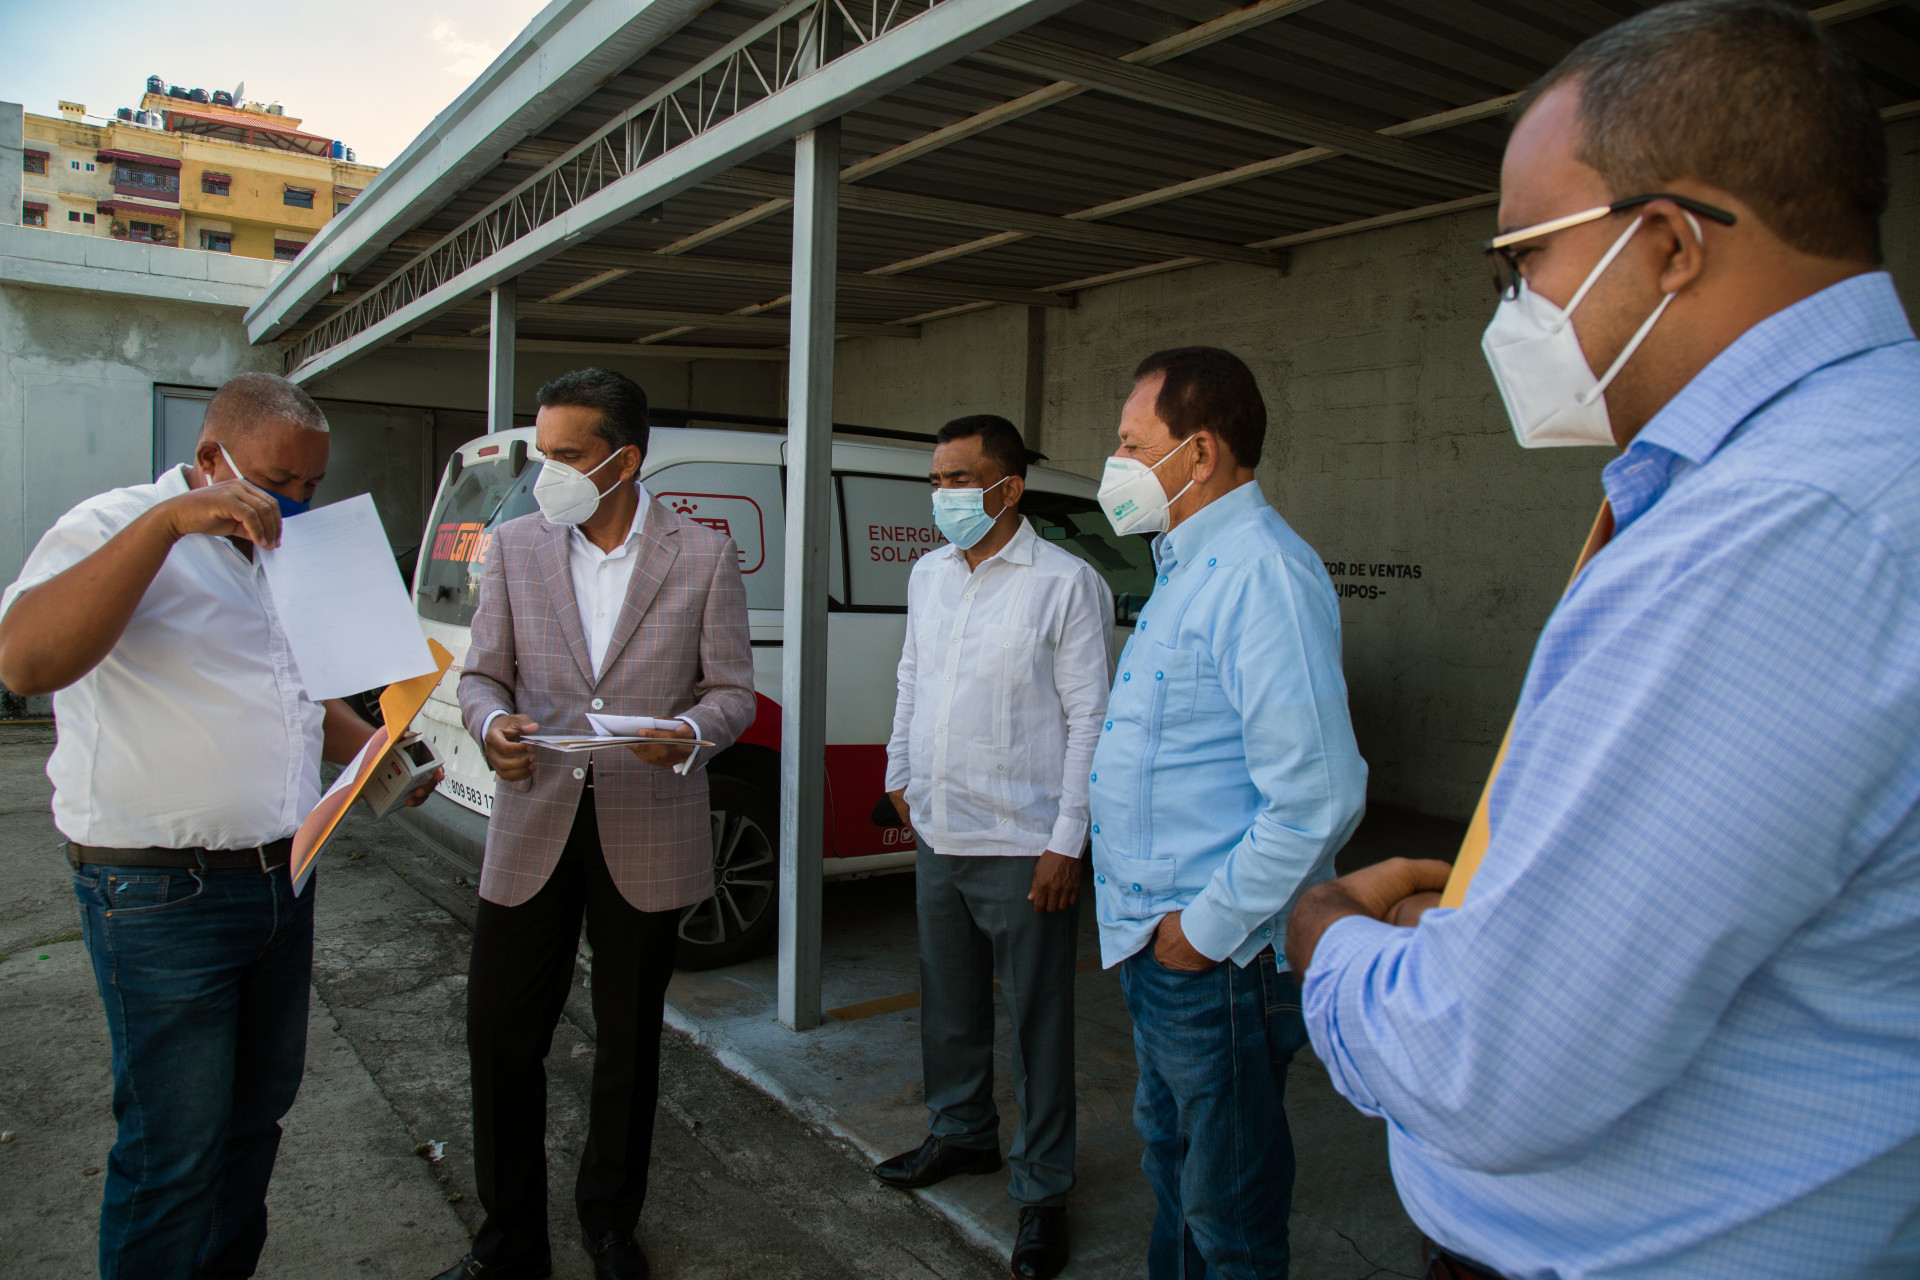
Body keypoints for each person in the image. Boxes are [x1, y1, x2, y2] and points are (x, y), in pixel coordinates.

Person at [1285, 5, 1920, 1278]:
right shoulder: (1854, 466)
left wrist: (1328, 934)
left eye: (1522, 258)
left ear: (1669, 241)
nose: (1511, 308)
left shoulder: (1775, 532)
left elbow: (1491, 1061)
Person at [0, 372, 439, 1279]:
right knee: (174, 1149)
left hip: (281, 879)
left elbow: (296, 697)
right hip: (160, 893)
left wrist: (381, 756)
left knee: (251, 1125)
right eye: (278, 481)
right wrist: (166, 526)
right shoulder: (111, 524)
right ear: (210, 459)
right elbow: (27, 664)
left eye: (312, 484)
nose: (296, 501)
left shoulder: (281, 553)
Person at [437, 369, 755, 1280]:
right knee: (500, 1035)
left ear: (626, 460)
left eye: (568, 455)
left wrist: (689, 734)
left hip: (645, 822)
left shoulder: (701, 555)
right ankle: (510, 1244)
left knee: (627, 1044)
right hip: (534, 819)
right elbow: (481, 673)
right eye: (543, 453)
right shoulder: (515, 546)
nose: (550, 473)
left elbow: (732, 691)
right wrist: (489, 724)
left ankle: (610, 1225)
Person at [1087, 348, 1367, 1280]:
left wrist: (1201, 932)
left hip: (1219, 961)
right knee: (1176, 1176)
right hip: (1156, 943)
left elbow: (1319, 794)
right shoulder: (1186, 564)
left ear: (1199, 453)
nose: (1116, 464)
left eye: (1134, 444)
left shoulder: (1262, 574)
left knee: (1228, 1214)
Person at [872, 415, 1113, 1280]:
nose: (943, 496)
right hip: (942, 825)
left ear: (1009, 488)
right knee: (949, 1002)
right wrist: (899, 769)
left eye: (960, 480)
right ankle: (962, 1131)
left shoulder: (1066, 584)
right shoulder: (930, 574)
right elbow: (912, 676)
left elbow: (1091, 718)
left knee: (1038, 1021)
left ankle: (1042, 1188)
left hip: (1024, 840)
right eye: (936, 481)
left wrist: (1067, 841)